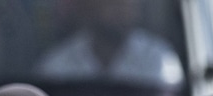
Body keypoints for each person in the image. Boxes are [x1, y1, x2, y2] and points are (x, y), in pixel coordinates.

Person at [35, 0, 184, 88]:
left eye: (127, 3)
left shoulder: (158, 58)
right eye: (113, 3)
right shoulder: (57, 66)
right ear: (91, 7)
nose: (122, 10)